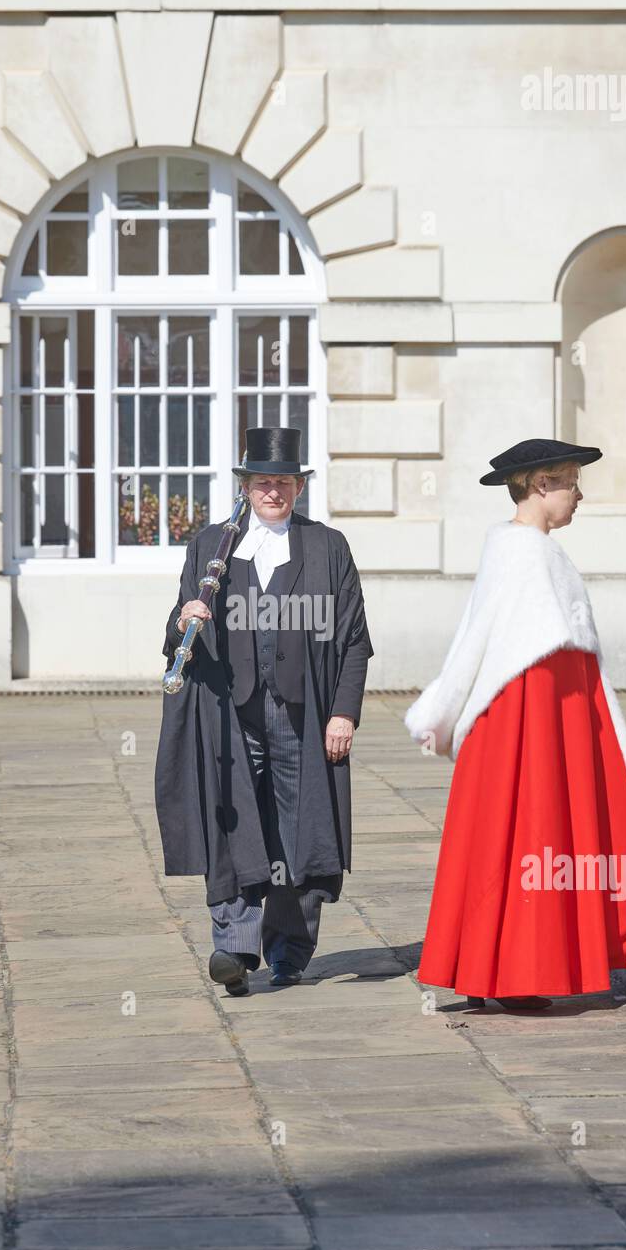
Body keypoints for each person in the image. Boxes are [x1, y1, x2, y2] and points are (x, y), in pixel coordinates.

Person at [404, 438, 626, 1012]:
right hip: (527, 722)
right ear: (542, 483)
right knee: (531, 833)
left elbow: (477, 646)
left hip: (535, 719)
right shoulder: (525, 553)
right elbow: (495, 647)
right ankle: (516, 970)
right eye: (573, 481)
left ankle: (490, 969)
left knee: (506, 841)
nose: (580, 494)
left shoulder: (524, 551)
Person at [154, 425, 373, 996]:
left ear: (298, 488)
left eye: (283, 482)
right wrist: (183, 619)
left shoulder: (328, 547)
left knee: (303, 831)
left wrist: (343, 713)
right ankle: (234, 945)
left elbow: (353, 639)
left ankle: (288, 950)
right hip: (231, 714)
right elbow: (181, 624)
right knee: (232, 823)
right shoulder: (211, 548)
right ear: (245, 488)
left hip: (304, 713)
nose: (272, 491)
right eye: (261, 482)